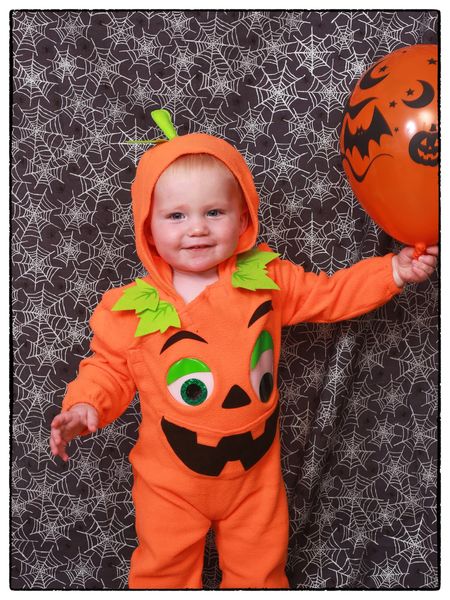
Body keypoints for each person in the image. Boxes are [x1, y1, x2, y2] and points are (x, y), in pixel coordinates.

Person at [49, 111, 438, 589]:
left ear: (243, 217)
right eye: (176, 216)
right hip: (170, 483)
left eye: (214, 212)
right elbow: (108, 369)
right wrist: (86, 405)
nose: (197, 229)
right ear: (148, 228)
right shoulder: (130, 309)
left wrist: (392, 272)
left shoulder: (267, 280)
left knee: (259, 573)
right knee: (163, 573)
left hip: (255, 480)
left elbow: (330, 294)